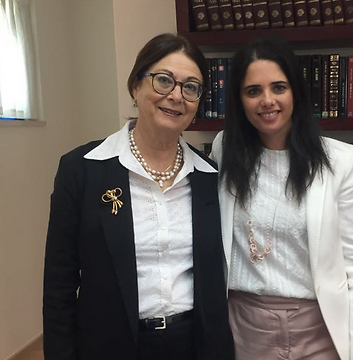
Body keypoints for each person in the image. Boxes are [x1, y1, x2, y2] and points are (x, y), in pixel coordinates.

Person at [43, 33, 234, 360]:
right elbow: (58, 285)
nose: (176, 96)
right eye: (163, 81)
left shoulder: (209, 176)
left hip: (194, 345)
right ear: (135, 85)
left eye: (191, 87)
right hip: (109, 345)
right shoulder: (82, 170)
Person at [210, 36, 353, 360]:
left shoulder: (341, 160)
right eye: (253, 91)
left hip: (319, 329)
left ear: (295, 92)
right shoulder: (224, 149)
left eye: (278, 87)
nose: (267, 101)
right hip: (244, 329)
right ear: (239, 100)